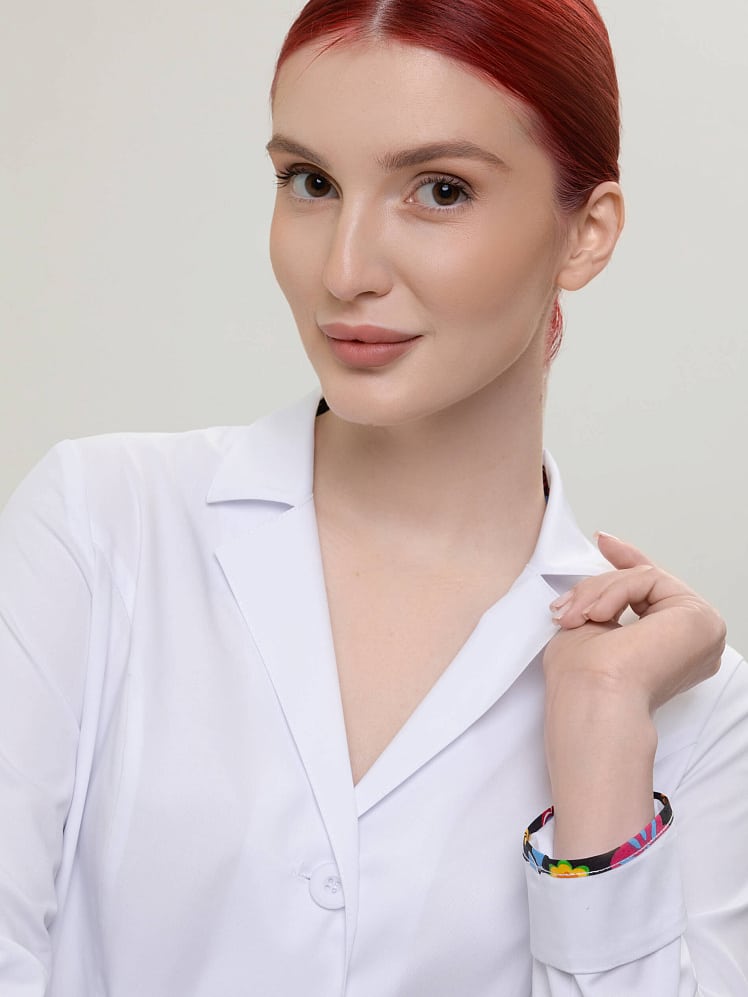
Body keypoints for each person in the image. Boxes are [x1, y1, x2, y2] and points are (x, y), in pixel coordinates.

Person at [0, 0, 745, 994]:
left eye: (439, 190)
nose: (344, 270)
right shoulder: (101, 529)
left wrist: (605, 751)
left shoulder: (690, 706)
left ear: (586, 232)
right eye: (310, 182)